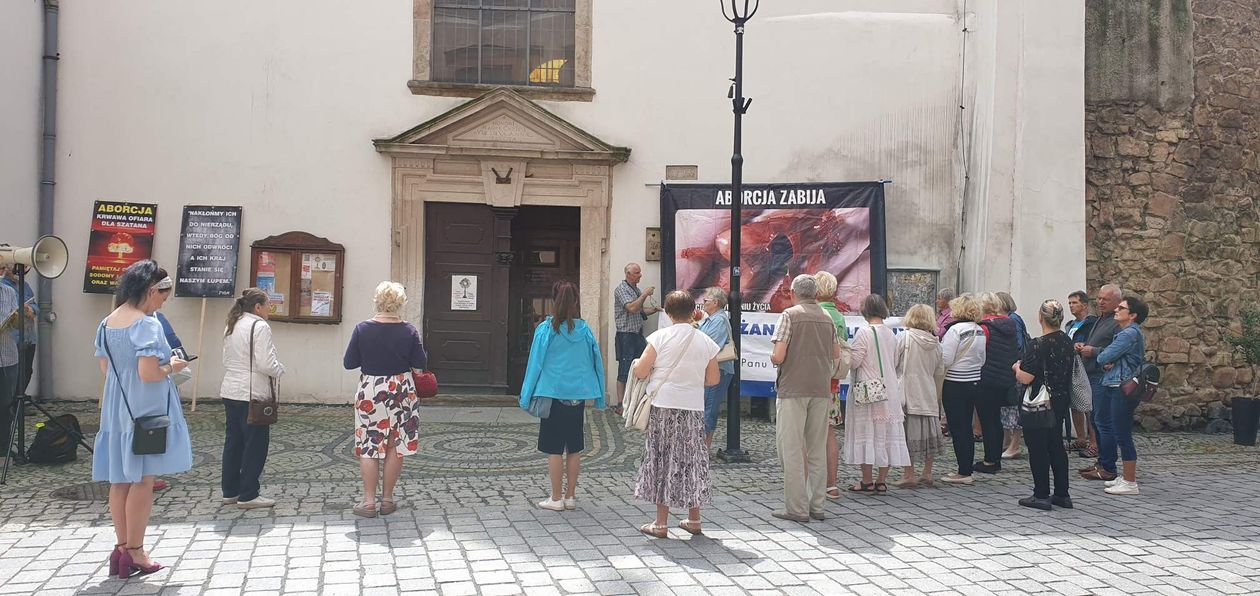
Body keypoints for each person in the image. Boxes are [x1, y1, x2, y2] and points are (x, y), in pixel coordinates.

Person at [92, 260, 192, 578]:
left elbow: (106, 368)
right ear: (152, 290)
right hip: (145, 409)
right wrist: (172, 368)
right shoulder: (147, 324)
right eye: (163, 296)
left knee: (120, 479)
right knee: (143, 481)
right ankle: (136, 551)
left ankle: (121, 548)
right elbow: (149, 373)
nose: (163, 302)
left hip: (117, 408)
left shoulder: (107, 321)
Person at [631, 290, 719, 537]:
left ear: (668, 314)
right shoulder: (705, 342)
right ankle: (694, 519)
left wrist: (637, 364)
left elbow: (641, 372)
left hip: (664, 405)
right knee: (691, 459)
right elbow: (713, 378)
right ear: (693, 311)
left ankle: (660, 523)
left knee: (663, 458)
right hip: (692, 407)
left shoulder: (659, 338)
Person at [344, 282, 427, 517]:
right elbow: (420, 363)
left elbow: (349, 362)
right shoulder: (409, 330)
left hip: (372, 388)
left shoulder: (362, 329)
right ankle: (388, 500)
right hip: (401, 389)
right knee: (395, 445)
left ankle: (368, 502)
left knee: (370, 445)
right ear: (400, 304)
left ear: (377, 301)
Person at [521, 280, 605, 512]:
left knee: (554, 448)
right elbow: (597, 362)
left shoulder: (546, 330)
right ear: (576, 301)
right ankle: (570, 496)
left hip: (552, 395)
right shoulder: (585, 330)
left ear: (553, 300)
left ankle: (555, 497)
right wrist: (599, 396)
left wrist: (525, 396)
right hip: (578, 396)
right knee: (574, 447)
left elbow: (534, 365)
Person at [769, 275, 840, 522]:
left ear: (793, 292)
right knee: (816, 448)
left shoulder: (790, 315)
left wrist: (773, 357)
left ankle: (796, 508)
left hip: (793, 387)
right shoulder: (827, 317)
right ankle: (817, 505)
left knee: (791, 449)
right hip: (821, 388)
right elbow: (836, 353)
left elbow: (778, 356)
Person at [220, 288, 285, 510]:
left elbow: (226, 358)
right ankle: (249, 493)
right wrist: (279, 370)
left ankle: (230, 490)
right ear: (258, 307)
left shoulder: (233, 323)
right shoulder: (260, 326)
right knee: (255, 444)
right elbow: (266, 363)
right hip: (252, 392)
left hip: (230, 388)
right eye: (267, 305)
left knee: (233, 442)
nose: (269, 309)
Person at [844, 294, 911, 495]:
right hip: (889, 388)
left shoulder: (864, 333)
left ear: (865, 310)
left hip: (868, 390)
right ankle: (881, 480)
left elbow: (855, 362)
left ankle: (866, 480)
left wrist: (844, 350)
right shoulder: (891, 334)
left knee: (867, 433)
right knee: (886, 435)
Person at [1012, 300, 1075, 510]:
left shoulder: (1037, 344)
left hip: (1040, 401)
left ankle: (1041, 494)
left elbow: (1027, 378)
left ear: (1041, 318)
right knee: (1056, 445)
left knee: (1038, 447)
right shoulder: (1067, 341)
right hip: (1061, 398)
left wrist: (1017, 368)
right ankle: (1062, 494)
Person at [1096, 295, 1149, 496]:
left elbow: (1103, 356)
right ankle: (1126, 477)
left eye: (1121, 308)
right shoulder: (1127, 333)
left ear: (1132, 315)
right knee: (1119, 431)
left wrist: (1109, 358)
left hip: (1121, 386)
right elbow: (1111, 357)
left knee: (1122, 434)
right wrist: (1111, 359)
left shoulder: (1129, 334)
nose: (1116, 310)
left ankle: (1130, 481)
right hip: (1116, 383)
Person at [895, 304, 945, 488]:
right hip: (929, 391)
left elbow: (894, 363)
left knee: (908, 434)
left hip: (909, 392)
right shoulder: (936, 343)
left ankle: (909, 474)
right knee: (928, 433)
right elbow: (940, 370)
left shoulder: (904, 337)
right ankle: (928, 472)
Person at [939, 294, 986, 484]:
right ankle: (965, 467)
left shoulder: (955, 330)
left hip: (955, 382)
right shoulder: (980, 330)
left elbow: (946, 359)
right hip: (974, 380)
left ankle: (964, 471)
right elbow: (982, 359)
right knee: (966, 425)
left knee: (958, 427)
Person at [1078, 284, 1123, 479]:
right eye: (1099, 298)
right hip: (1092, 374)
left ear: (1117, 302)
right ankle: (1102, 462)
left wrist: (1094, 351)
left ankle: (1108, 467)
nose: (1101, 302)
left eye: (1106, 299)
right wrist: (1084, 347)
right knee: (1096, 422)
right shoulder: (1100, 320)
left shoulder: (1116, 322)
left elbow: (1117, 351)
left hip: (1102, 377)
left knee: (1103, 423)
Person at [972, 292, 1019, 475]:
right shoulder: (1009, 325)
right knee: (996, 421)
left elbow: (980, 353)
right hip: (1004, 377)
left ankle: (990, 460)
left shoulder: (985, 327)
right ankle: (995, 458)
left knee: (987, 420)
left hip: (987, 378)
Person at [814, 271, 852, 499]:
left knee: (807, 435)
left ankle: (811, 485)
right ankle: (832, 484)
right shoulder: (839, 316)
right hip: (832, 383)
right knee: (829, 434)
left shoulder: (815, 313)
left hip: (811, 380)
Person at [614, 263, 660, 413]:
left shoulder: (635, 289)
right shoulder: (621, 289)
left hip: (637, 334)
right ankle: (620, 404)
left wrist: (654, 310)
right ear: (628, 274)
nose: (640, 275)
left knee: (642, 368)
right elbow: (632, 308)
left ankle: (634, 402)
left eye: (640, 272)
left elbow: (639, 310)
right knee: (624, 370)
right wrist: (645, 294)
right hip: (625, 335)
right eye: (637, 272)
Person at [697, 287, 734, 449]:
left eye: (705, 301)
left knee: (709, 408)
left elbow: (709, 346)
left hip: (718, 369)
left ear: (716, 303)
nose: (702, 303)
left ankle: (704, 448)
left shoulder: (718, 321)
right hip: (710, 369)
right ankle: (701, 447)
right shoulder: (711, 318)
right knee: (705, 406)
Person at [1064, 290, 1097, 453]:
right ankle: (1080, 438)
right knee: (1075, 404)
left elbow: (1094, 341)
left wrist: (1083, 345)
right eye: (1069, 303)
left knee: (1088, 405)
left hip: (1086, 366)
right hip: (1072, 366)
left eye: (1074, 303)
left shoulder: (1092, 323)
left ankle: (1093, 440)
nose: (1071, 306)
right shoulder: (1070, 324)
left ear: (1084, 304)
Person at [997, 292, 1028, 460]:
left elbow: (1017, 344)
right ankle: (1007, 440)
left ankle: (1014, 444)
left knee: (1015, 406)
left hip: (1015, 366)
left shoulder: (1013, 319)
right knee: (1007, 406)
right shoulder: (1009, 319)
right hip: (1009, 367)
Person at [1, 263, 36, 400]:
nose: (4, 271)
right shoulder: (6, 285)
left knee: (26, 371)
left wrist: (28, 310)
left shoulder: (20, 287)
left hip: (21, 342)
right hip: (14, 340)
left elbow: (34, 304)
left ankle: (16, 404)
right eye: (3, 268)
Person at [0, 272, 19, 464]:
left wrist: (17, 318)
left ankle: (3, 452)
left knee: (5, 407)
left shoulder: (9, 291)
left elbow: (17, 325)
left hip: (7, 356)